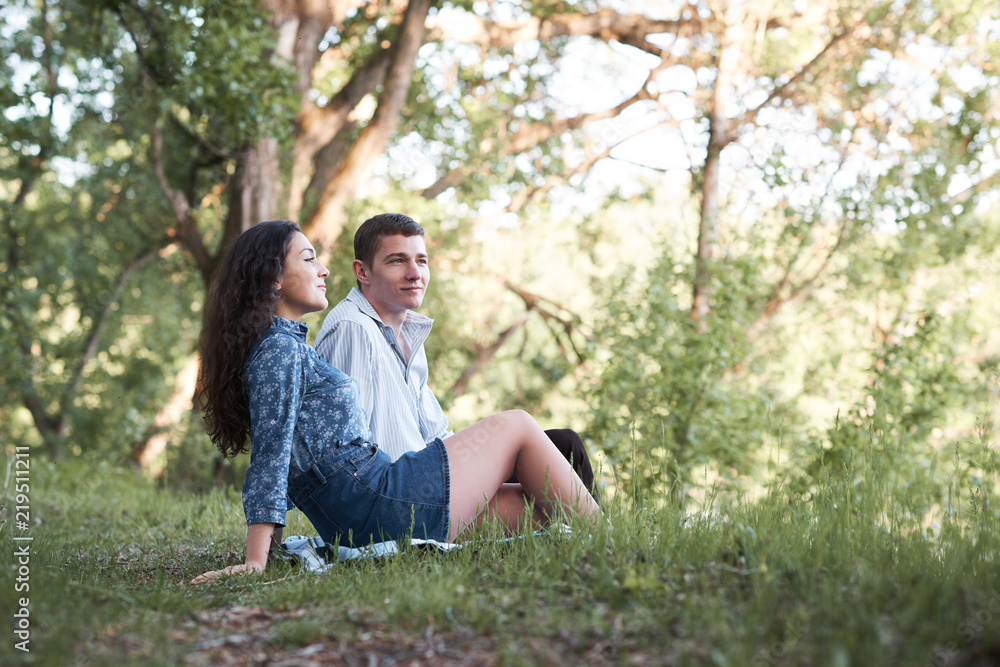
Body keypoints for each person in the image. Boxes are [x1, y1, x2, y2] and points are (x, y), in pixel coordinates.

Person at [191, 220, 600, 584]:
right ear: (274, 277)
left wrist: (271, 547)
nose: (323, 269)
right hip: (375, 498)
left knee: (542, 506)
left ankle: (607, 550)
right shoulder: (282, 350)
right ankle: (615, 550)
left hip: (370, 506)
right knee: (517, 424)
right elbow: (271, 454)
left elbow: (287, 456)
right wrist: (255, 560)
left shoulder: (285, 347)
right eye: (309, 258)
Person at [314, 212, 597, 497]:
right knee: (531, 449)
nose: (415, 273)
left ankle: (589, 537)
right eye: (398, 260)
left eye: (421, 261)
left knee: (564, 446)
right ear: (362, 271)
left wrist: (481, 462)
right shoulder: (352, 328)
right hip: (405, 489)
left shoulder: (408, 332)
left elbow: (435, 433)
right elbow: (348, 451)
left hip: (431, 472)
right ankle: (591, 534)